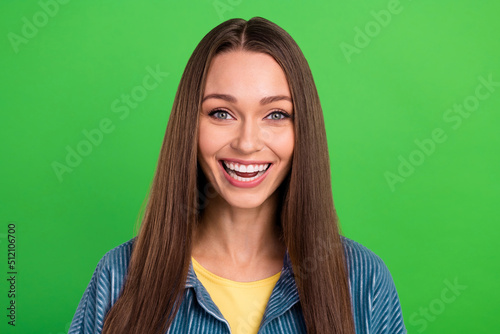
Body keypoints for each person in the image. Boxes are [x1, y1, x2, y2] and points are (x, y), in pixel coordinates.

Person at [68, 17, 406, 334]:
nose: (247, 143)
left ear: (303, 128)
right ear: (190, 125)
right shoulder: (118, 277)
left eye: (275, 114)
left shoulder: (364, 282)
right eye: (221, 113)